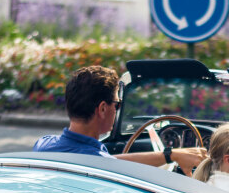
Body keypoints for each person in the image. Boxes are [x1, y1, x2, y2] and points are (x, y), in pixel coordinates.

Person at [33, 65, 206, 171]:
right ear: (102, 108)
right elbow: (108, 164)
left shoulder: (43, 145)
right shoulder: (101, 167)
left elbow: (109, 161)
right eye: (117, 104)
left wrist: (170, 155)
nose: (117, 109)